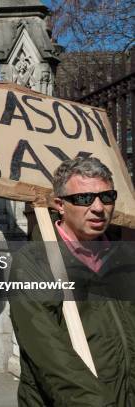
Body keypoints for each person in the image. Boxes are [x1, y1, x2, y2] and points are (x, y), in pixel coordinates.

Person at [10, 157, 135, 406]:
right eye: (84, 199)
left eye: (107, 197)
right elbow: (49, 355)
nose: (99, 208)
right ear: (60, 205)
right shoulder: (34, 263)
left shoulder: (124, 258)